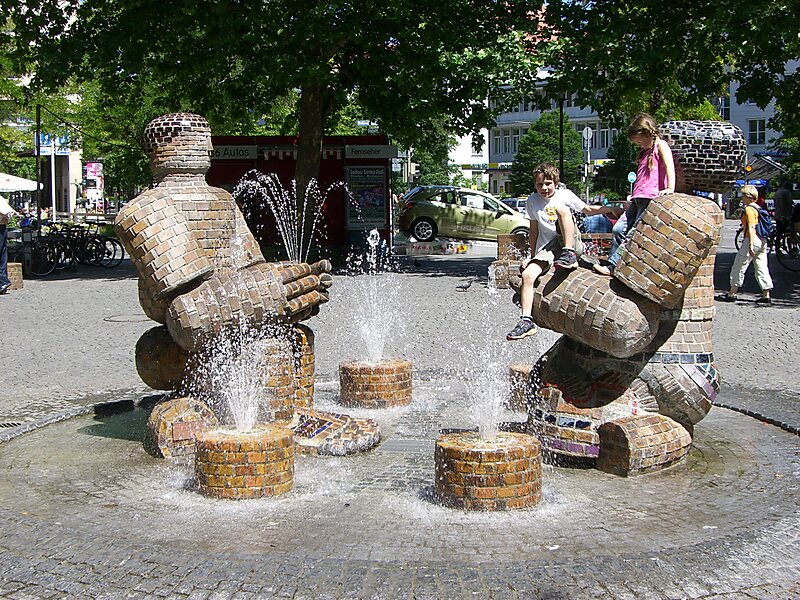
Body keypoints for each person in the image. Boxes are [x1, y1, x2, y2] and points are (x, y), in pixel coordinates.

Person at [506, 162, 622, 340]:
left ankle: (569, 253)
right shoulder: (532, 201)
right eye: (539, 184)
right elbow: (534, 230)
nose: (544, 188)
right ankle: (526, 320)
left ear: (556, 182)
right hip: (550, 248)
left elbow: (587, 209)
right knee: (528, 275)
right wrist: (532, 257)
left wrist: (611, 209)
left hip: (571, 241)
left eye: (548, 183)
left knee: (561, 209)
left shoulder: (564, 194)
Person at [594, 113, 675, 276]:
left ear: (648, 133)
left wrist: (670, 188)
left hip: (650, 198)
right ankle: (616, 264)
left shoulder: (661, 146)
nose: (639, 144)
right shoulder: (645, 152)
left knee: (633, 233)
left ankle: (613, 265)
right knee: (618, 229)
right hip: (638, 198)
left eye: (639, 141)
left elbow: (669, 166)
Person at [718, 184, 773, 304]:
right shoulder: (758, 208)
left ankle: (732, 293)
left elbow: (752, 227)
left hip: (752, 239)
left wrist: (751, 244)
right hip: (762, 240)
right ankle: (766, 294)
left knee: (739, 265)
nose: (741, 198)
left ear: (748, 196)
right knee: (762, 267)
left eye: (743, 195)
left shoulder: (749, 209)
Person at [0, 195, 19, 295]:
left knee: (2, 255)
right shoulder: (1, 199)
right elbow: (9, 213)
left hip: (1, 227)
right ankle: (2, 283)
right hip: (3, 228)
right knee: (2, 256)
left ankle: (3, 281)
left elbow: (6, 212)